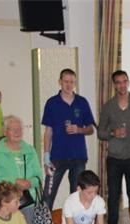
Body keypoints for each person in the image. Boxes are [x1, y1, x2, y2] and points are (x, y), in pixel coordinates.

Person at [97, 70, 130, 224]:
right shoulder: (108, 106)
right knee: (113, 195)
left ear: (128, 82)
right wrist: (113, 133)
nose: (122, 85)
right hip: (114, 158)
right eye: (118, 82)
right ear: (114, 85)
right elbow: (100, 133)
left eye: (124, 81)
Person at [41, 68, 96, 209]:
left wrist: (79, 129)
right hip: (57, 157)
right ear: (60, 82)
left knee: (76, 196)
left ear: (75, 83)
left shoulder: (82, 102)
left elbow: (91, 129)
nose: (68, 85)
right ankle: (43, 223)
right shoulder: (52, 103)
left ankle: (74, 222)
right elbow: (48, 132)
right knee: (48, 194)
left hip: (78, 156)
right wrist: (46, 157)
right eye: (66, 81)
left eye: (72, 82)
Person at [0, 115, 42, 224]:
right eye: (13, 129)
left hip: (30, 202)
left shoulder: (30, 150)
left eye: (19, 129)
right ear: (4, 132)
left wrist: (29, 183)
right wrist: (15, 182)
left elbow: (39, 177)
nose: (17, 132)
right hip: (7, 203)